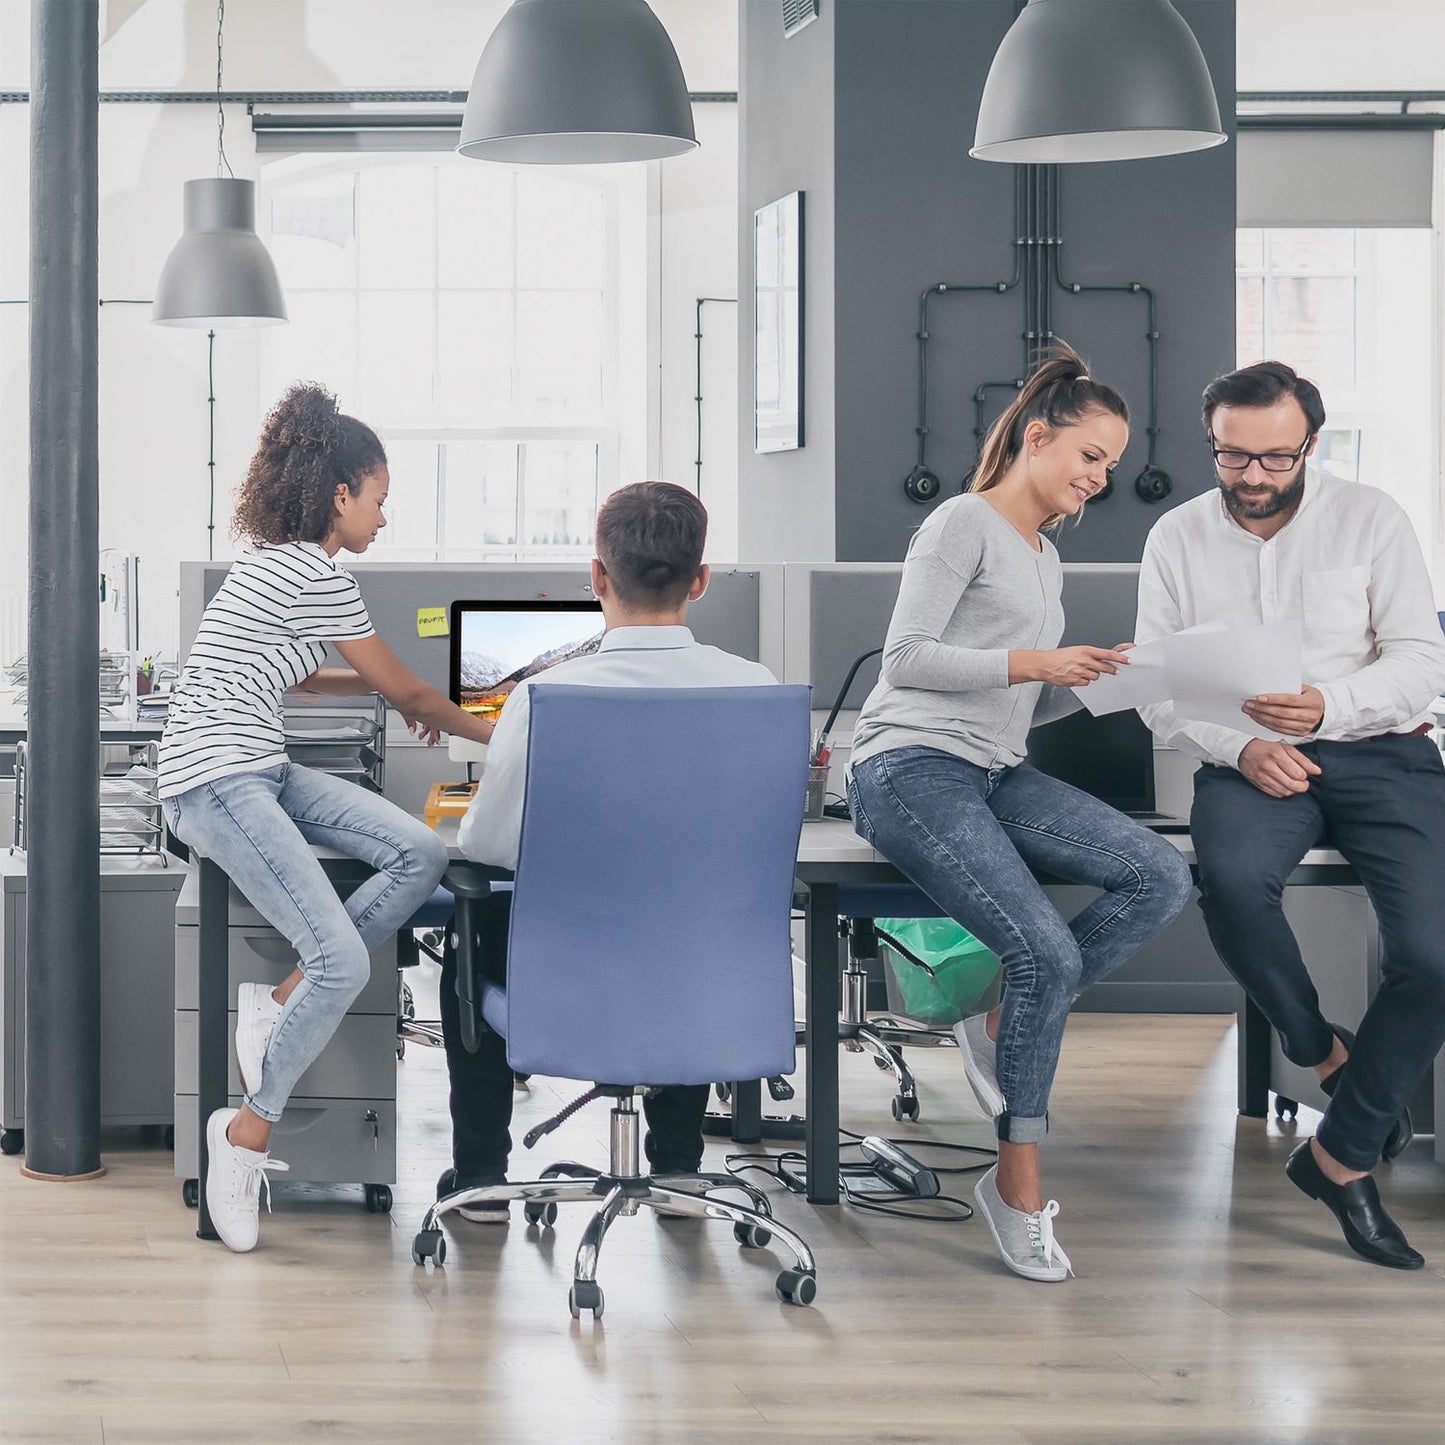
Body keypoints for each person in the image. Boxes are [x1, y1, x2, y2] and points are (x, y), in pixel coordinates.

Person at [846, 343, 1194, 1283]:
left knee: (1162, 874)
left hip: (994, 767)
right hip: (909, 762)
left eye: (1110, 466)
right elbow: (906, 658)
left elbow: (1017, 702)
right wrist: (1038, 662)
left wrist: (1092, 680)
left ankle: (1000, 1026)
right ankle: (1017, 1183)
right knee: (1043, 950)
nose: (1098, 477)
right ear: (1036, 436)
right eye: (1088, 455)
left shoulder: (1044, 557)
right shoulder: (961, 521)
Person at [160, 383, 494, 1253]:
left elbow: (309, 677)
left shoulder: (281, 566)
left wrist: (400, 694)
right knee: (341, 957)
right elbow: (408, 685)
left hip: (260, 764)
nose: (383, 517)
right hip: (214, 780)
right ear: (339, 494)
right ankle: (244, 1134)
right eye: (378, 499)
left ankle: (275, 1002)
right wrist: (494, 726)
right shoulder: (307, 569)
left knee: (417, 849)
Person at [1136, 360, 1445, 1270]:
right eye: (1234, 456)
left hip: (1380, 747)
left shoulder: (1369, 517)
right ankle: (1316, 1048)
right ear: (1212, 442)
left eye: (1276, 456)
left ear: (1309, 442)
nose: (1255, 477)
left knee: (1434, 956)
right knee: (1229, 884)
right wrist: (1238, 746)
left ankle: (1340, 1155)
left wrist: (1326, 707)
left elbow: (1421, 658)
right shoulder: (1176, 537)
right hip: (1247, 756)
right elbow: (1158, 686)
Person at [443, 481, 776, 1220]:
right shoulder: (755, 690)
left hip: (567, 996)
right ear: (700, 580)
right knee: (690, 919)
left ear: (597, 577)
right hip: (706, 989)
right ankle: (680, 1167)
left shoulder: (542, 698)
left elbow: (488, 846)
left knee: (475, 922)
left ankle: (480, 1178)